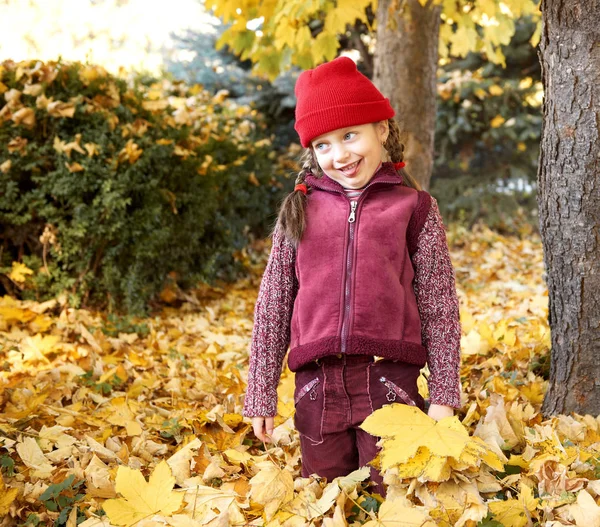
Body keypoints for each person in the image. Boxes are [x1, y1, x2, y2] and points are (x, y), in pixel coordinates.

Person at [243, 56, 461, 495]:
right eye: (323, 145)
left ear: (381, 129)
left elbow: (440, 307)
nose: (339, 154)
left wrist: (444, 394)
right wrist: (260, 392)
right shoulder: (299, 210)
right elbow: (273, 304)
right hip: (316, 388)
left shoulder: (414, 209)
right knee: (326, 498)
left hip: (389, 382)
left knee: (390, 496)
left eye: (349, 135)